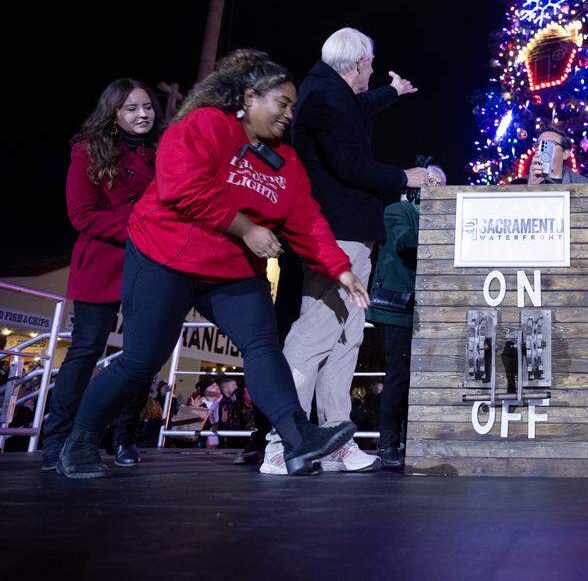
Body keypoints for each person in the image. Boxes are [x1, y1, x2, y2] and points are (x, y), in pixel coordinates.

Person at [55, 49, 369, 479]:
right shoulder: (204, 125)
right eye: (282, 103)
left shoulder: (285, 161)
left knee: (262, 346)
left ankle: (298, 440)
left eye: (292, 107)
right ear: (249, 96)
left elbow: (306, 219)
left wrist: (340, 268)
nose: (288, 114)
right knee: (142, 360)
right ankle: (81, 440)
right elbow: (183, 187)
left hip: (230, 271)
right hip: (165, 257)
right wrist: (248, 230)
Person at [258, 28, 428, 476]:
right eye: (370, 66)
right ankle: (284, 440)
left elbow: (360, 106)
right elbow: (350, 164)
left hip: (351, 234)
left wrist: (391, 91)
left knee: (346, 336)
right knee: (315, 332)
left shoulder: (330, 91)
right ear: (355, 65)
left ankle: (334, 438)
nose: (371, 73)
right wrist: (404, 177)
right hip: (336, 235)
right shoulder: (327, 99)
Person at [41, 78, 161, 471]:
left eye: (147, 106)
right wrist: (139, 225)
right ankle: (56, 439)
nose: (142, 114)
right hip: (103, 262)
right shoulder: (88, 150)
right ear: (113, 112)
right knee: (86, 349)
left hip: (149, 265)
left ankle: (123, 438)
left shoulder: (164, 153)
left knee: (143, 357)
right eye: (131, 108)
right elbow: (82, 215)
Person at [367, 166, 446, 468]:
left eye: (439, 184)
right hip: (397, 305)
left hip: (426, 309)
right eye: (429, 182)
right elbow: (403, 243)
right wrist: (439, 216)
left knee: (419, 376)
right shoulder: (398, 210)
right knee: (398, 373)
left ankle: (408, 438)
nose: (433, 188)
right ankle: (388, 444)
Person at [517, 126, 588, 185]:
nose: (541, 149)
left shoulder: (583, 184)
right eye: (538, 144)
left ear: (565, 154)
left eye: (549, 144)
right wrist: (530, 188)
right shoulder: (520, 184)